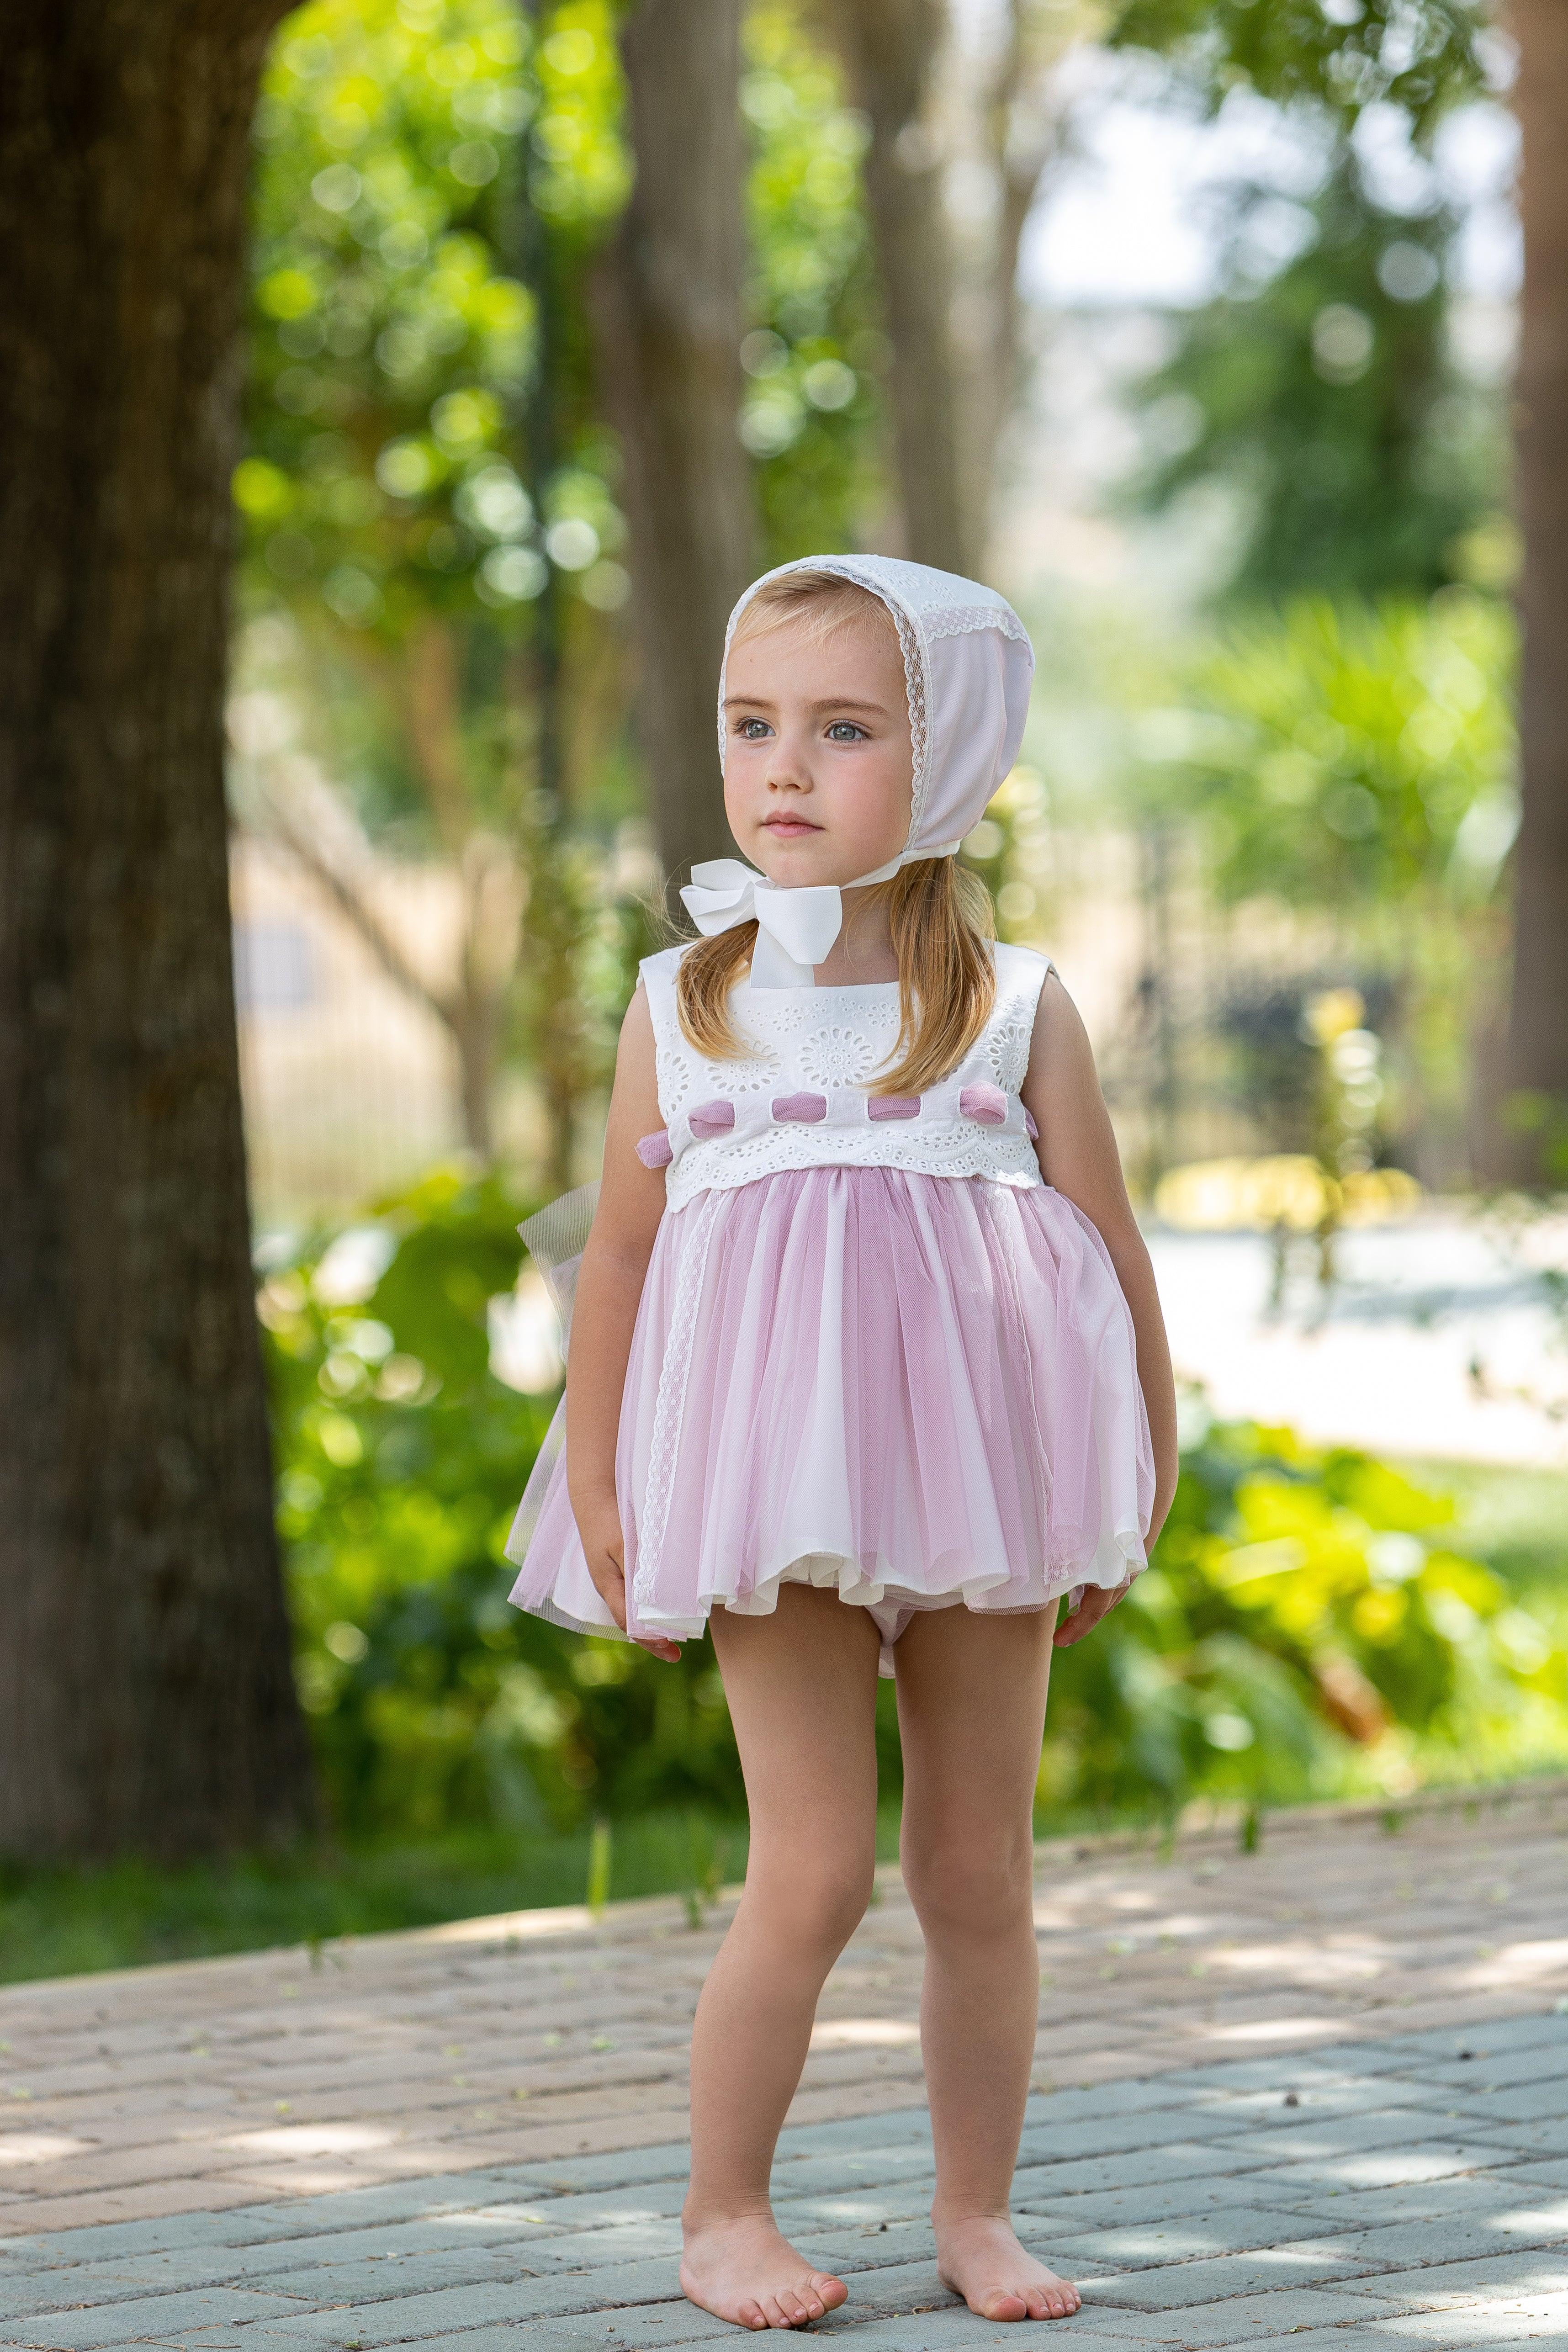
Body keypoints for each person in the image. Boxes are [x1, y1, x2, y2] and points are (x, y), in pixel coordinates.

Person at [506, 555, 1179, 2331]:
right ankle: (723, 2212)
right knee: (810, 1865)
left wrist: (1140, 1479)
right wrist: (600, 1495)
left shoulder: (1014, 1005)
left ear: (946, 760)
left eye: (845, 728)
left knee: (978, 1868)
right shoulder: (685, 1002)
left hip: (984, 1487)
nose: (784, 766)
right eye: (754, 725)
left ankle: (977, 2215)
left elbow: (1110, 1259)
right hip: (766, 1496)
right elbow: (624, 1268)